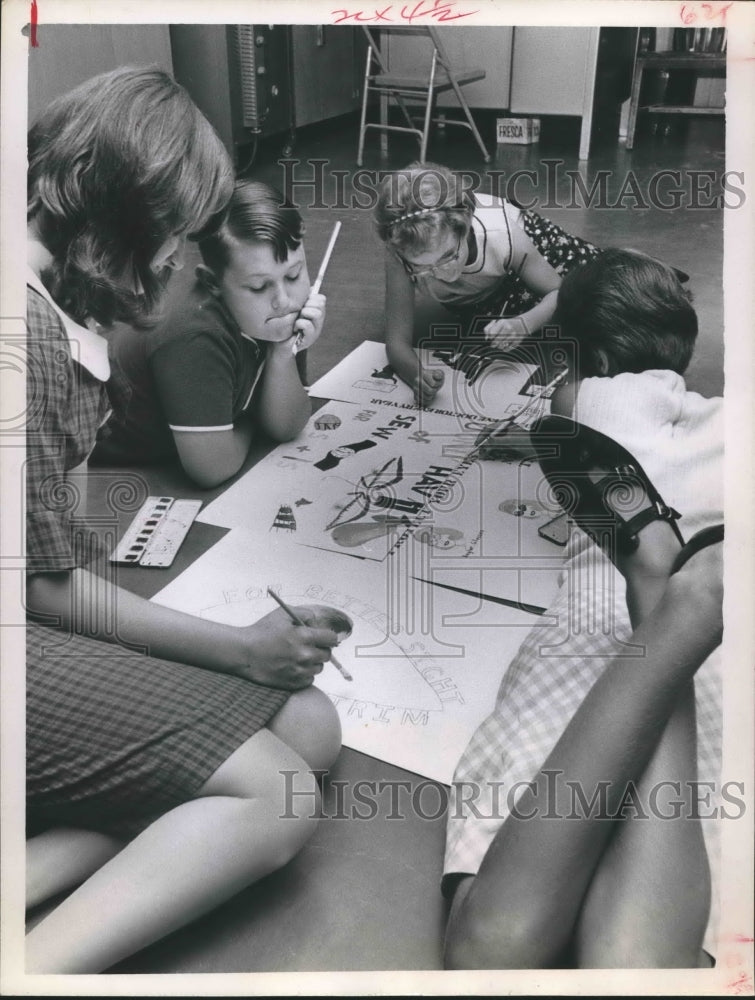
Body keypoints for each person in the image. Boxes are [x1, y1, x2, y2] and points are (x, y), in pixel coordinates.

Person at [25, 67, 347, 974]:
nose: (177, 260)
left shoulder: (52, 297)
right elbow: (48, 593)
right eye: (172, 237)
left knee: (310, 726)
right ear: (122, 221)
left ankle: (29, 876)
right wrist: (237, 651)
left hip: (39, 615)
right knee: (282, 792)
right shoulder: (32, 342)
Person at [442, 249, 724, 967]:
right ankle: (670, 597)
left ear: (585, 361)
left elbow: (566, 422)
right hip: (725, 651)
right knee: (634, 966)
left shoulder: (598, 398)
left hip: (591, 628)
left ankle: (659, 593)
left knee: (486, 953)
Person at [94, 180, 326, 488]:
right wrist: (250, 420)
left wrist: (282, 352)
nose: (284, 300)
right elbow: (211, 468)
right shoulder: (194, 332)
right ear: (212, 282)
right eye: (259, 287)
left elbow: (286, 426)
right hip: (93, 462)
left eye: (294, 274)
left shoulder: (278, 312)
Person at [373, 161, 600, 404]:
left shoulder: (500, 234)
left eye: (449, 255)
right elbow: (397, 342)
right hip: (486, 292)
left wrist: (525, 323)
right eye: (422, 267)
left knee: (594, 298)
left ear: (466, 227)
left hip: (539, 254)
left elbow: (560, 292)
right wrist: (417, 375)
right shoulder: (400, 250)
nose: (442, 273)